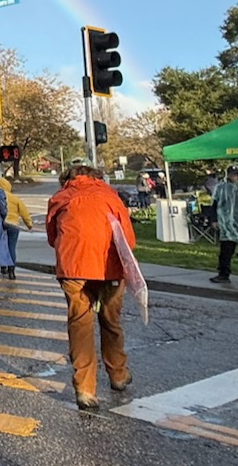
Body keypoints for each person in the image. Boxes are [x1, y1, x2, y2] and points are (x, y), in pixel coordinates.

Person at [46, 162, 136, 411]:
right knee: (111, 321)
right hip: (109, 269)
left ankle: (85, 389)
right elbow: (128, 239)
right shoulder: (110, 196)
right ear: (97, 177)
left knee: (80, 324)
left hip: (73, 269)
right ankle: (118, 374)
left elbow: (52, 237)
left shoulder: (60, 197)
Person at [2, 188, 35, 281]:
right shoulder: (15, 199)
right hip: (13, 225)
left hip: (1, 225)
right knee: (11, 247)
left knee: (1, 246)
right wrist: (29, 224)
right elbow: (24, 212)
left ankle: (3, 267)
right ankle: (11, 271)